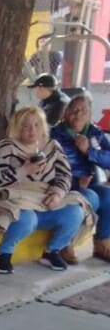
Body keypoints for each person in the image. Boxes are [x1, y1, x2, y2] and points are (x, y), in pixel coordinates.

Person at [0, 107, 83, 274]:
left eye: (36, 125)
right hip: (16, 203)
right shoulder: (7, 147)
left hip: (44, 202)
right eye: (25, 126)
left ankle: (52, 251)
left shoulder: (52, 146)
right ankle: (3, 254)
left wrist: (58, 193)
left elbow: (65, 175)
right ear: (17, 128)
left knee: (75, 212)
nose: (32, 130)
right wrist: (23, 171)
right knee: (27, 218)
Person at [51, 94, 110, 263]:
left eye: (83, 110)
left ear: (90, 114)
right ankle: (65, 243)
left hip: (90, 183)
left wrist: (89, 152)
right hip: (64, 186)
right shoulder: (55, 134)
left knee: (107, 196)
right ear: (65, 112)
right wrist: (76, 182)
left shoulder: (95, 133)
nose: (78, 114)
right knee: (90, 198)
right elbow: (48, 165)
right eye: (73, 110)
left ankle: (102, 243)